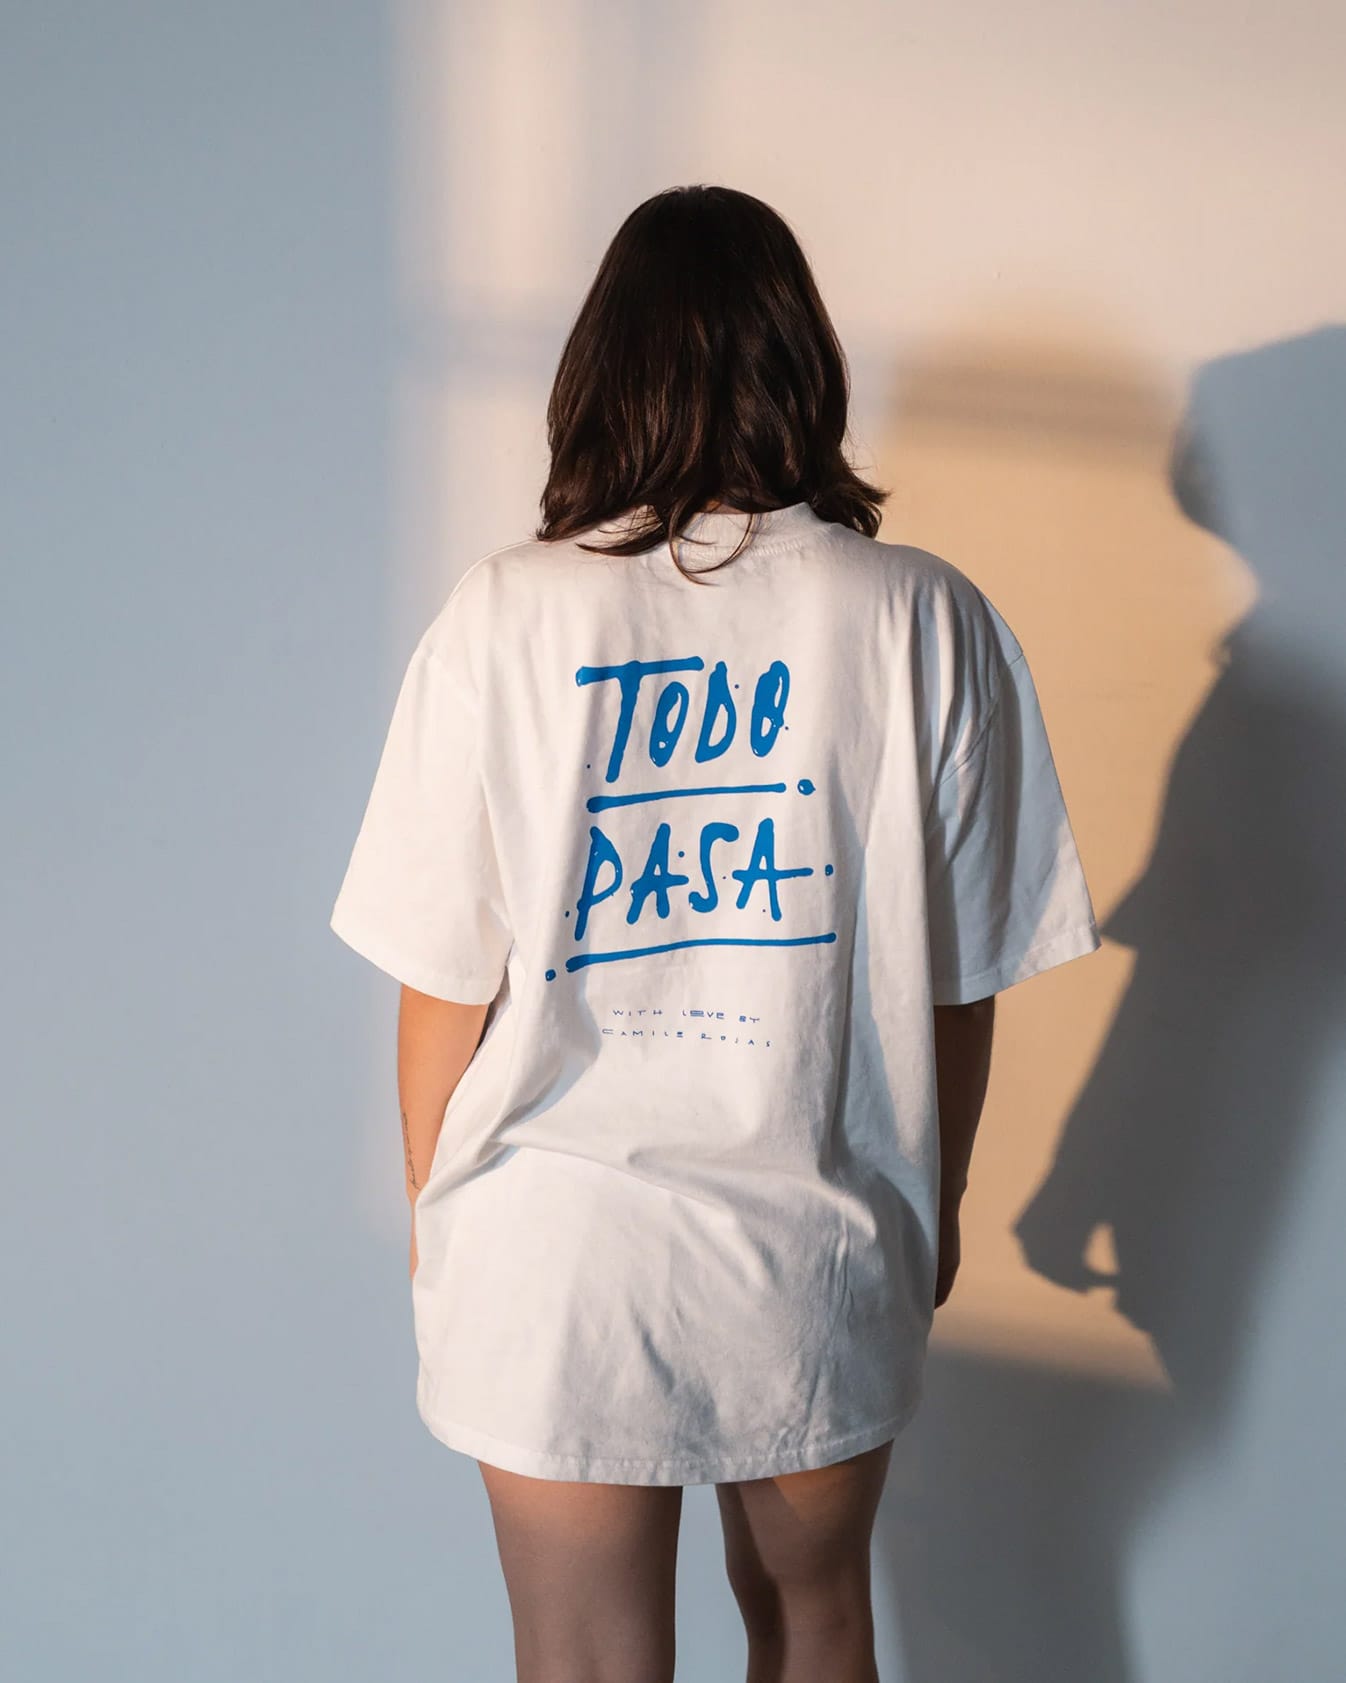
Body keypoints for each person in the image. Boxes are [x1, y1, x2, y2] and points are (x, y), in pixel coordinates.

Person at [329, 184, 1102, 1683]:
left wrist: (439, 1214)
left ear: (598, 370)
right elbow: (961, 982)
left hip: (554, 1242)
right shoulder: (922, 618)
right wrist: (932, 1204)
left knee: (582, 1662)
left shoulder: (505, 615)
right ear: (804, 364)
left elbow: (442, 980)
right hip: (815, 1229)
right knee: (812, 1623)